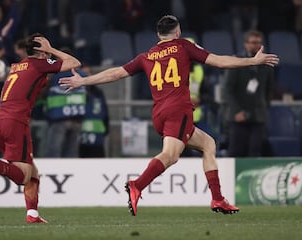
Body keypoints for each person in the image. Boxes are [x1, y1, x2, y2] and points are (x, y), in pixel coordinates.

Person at [59, 15, 279, 216]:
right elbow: (220, 61)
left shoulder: (146, 56)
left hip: (159, 114)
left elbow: (115, 73)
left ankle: (218, 199)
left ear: (158, 35)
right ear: (178, 32)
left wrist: (83, 81)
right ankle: (137, 185)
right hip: (178, 111)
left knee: (208, 144)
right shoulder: (184, 46)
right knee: (171, 156)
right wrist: (252, 61)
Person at [0, 33, 81, 223]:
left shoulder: (16, 66)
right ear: (40, 50)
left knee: (33, 173)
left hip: (0, 123)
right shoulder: (39, 64)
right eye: (44, 47)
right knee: (22, 176)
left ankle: (32, 214)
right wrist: (51, 50)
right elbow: (75, 63)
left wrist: (46, 53)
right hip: (15, 124)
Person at [224, 30, 274, 157]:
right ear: (246, 44)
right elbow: (228, 90)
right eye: (252, 42)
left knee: (255, 152)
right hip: (238, 115)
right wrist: (236, 111)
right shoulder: (237, 61)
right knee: (236, 152)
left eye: (258, 42)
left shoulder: (267, 64)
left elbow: (269, 89)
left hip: (258, 116)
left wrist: (264, 107)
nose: (256, 45)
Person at [79, 66, 110, 158]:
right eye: (84, 73)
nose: (87, 76)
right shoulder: (75, 91)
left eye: (88, 73)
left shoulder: (98, 92)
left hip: (97, 136)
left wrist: (106, 127)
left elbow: (105, 110)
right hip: (80, 137)